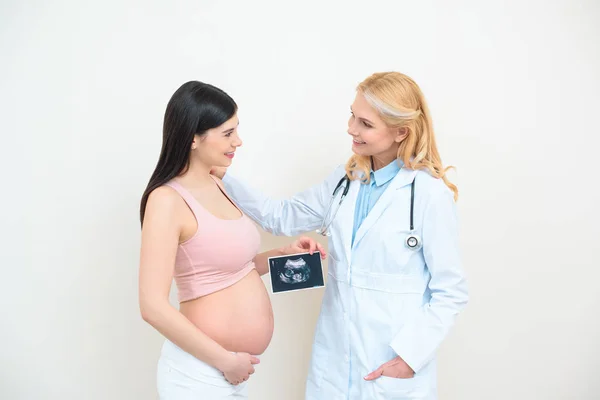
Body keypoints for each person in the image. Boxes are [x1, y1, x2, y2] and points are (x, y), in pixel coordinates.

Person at [212, 72, 469, 399]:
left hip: (389, 363)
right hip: (333, 361)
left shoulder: (429, 195)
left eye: (365, 123)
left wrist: (410, 357)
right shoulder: (346, 180)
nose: (351, 128)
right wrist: (222, 175)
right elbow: (282, 216)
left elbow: (451, 291)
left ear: (401, 132)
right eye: (352, 115)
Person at [138, 81, 326, 399]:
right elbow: (152, 306)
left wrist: (285, 254)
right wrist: (224, 360)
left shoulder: (219, 184)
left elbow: (233, 269)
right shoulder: (166, 200)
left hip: (233, 372)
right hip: (199, 373)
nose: (238, 141)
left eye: (236, 130)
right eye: (227, 133)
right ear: (193, 137)